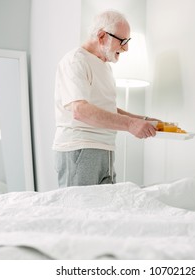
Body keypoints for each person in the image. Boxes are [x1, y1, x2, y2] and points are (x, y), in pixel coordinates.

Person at [53, 10, 159, 187]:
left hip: (105, 149)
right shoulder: (75, 61)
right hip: (80, 148)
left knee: (105, 212)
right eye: (122, 41)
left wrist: (143, 120)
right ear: (102, 36)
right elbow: (80, 110)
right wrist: (130, 124)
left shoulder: (104, 66)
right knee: (80, 211)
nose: (126, 48)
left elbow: (106, 109)